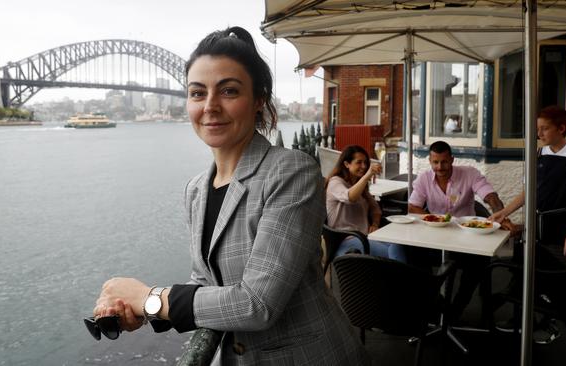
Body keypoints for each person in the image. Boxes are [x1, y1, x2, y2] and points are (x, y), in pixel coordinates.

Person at [91, 26, 369, 365]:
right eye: (197, 93)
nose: (210, 106)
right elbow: (206, 282)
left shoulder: (292, 172)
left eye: (229, 91)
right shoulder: (196, 189)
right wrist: (146, 311)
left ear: (258, 101)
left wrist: (150, 297)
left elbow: (257, 304)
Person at [489, 105, 566, 344]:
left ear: (561, 128)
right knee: (526, 270)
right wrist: (504, 212)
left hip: (560, 225)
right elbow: (529, 192)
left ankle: (550, 323)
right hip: (535, 225)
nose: (539, 133)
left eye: (544, 128)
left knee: (551, 277)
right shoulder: (538, 153)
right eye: (538, 128)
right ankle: (520, 317)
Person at [408, 140, 514, 321]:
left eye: (444, 162)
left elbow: (490, 197)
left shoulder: (469, 174)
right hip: (434, 237)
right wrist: (434, 219)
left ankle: (457, 306)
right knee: (410, 254)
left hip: (466, 238)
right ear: (430, 161)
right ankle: (435, 301)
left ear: (452, 159)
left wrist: (501, 214)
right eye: (435, 162)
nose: (440, 167)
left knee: (480, 262)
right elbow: (413, 207)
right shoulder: (424, 178)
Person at [325, 145, 407, 262]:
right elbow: (350, 197)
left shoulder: (360, 185)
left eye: (365, 163)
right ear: (346, 164)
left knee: (398, 243)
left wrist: (375, 223)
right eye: (359, 162)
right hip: (346, 241)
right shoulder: (335, 182)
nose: (363, 166)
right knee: (392, 254)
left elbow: (375, 209)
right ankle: (402, 278)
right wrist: (368, 175)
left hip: (366, 237)